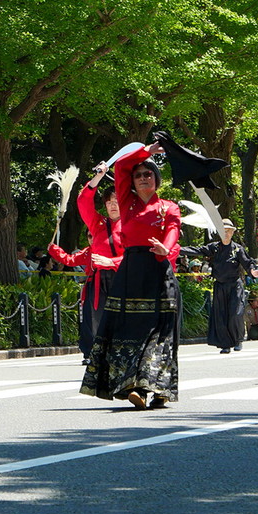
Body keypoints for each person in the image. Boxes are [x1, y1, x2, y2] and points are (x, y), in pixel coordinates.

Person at [81, 144, 182, 410]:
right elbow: (121, 166)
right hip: (131, 271)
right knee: (129, 329)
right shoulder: (127, 202)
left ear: (157, 180)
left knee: (160, 332)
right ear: (132, 183)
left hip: (159, 271)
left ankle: (159, 389)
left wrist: (166, 249)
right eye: (138, 176)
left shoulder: (169, 207)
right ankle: (132, 386)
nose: (143, 177)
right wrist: (147, 150)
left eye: (148, 174)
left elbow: (173, 230)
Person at [48, 166, 123, 364]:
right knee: (98, 320)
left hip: (124, 278)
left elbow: (137, 256)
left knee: (124, 319)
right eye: (109, 202)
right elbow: (83, 201)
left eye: (117, 201)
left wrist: (112, 262)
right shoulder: (98, 224)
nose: (113, 205)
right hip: (99, 280)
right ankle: (101, 357)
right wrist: (97, 176)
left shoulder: (133, 224)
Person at [182, 217, 258, 354]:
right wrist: (177, 249)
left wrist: (252, 271)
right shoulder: (214, 248)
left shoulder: (238, 249)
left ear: (232, 232)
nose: (226, 233)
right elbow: (197, 250)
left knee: (236, 313)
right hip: (220, 286)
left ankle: (238, 340)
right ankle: (225, 344)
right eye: (223, 230)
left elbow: (248, 263)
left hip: (235, 285)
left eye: (229, 230)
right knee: (221, 315)